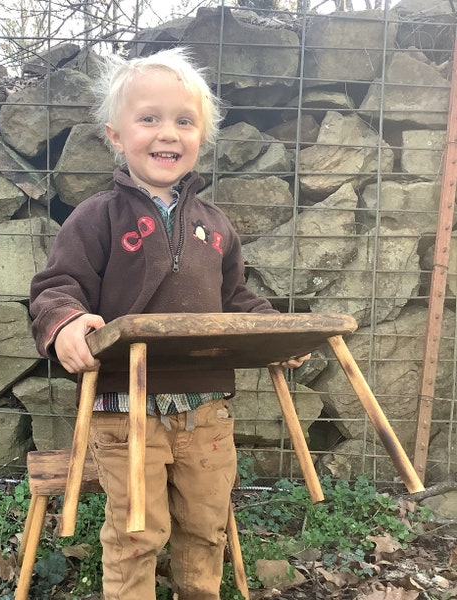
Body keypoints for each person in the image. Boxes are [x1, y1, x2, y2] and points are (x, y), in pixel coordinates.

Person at [29, 46, 309, 600]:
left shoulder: (216, 225)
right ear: (115, 135)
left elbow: (235, 299)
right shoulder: (97, 217)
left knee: (205, 528)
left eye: (184, 121)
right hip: (127, 411)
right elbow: (56, 287)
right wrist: (64, 323)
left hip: (205, 412)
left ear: (201, 135)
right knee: (137, 534)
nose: (168, 133)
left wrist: (275, 333)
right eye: (149, 118)